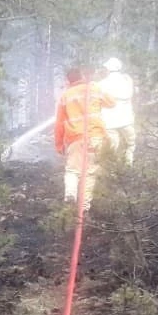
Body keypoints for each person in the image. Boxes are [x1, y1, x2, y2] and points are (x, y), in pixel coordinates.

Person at [53, 65, 113, 211]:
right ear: (83, 77)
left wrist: (59, 144)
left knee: (73, 170)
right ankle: (84, 207)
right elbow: (111, 103)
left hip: (75, 138)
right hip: (96, 136)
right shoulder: (94, 89)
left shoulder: (65, 96)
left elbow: (59, 123)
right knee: (90, 173)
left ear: (68, 81)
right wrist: (96, 86)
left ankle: (70, 194)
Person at [96, 57, 135, 166]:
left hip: (109, 121)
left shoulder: (101, 84)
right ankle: (128, 164)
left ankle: (113, 167)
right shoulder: (127, 81)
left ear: (107, 69)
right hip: (126, 119)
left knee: (113, 145)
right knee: (130, 144)